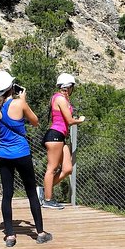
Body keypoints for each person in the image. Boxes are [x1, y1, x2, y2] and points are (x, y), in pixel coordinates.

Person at [0, 70, 51, 247]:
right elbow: (36, 121)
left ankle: (10, 235)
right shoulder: (19, 103)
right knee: (31, 192)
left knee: (7, 194)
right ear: (10, 87)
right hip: (21, 153)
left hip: (4, 155)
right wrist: (24, 100)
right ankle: (40, 232)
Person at [41, 73, 85, 209]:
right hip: (55, 135)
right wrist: (80, 120)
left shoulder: (62, 99)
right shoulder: (59, 99)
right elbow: (70, 121)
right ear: (68, 86)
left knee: (67, 168)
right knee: (52, 168)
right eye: (72, 86)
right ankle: (47, 199)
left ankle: (44, 191)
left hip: (60, 136)